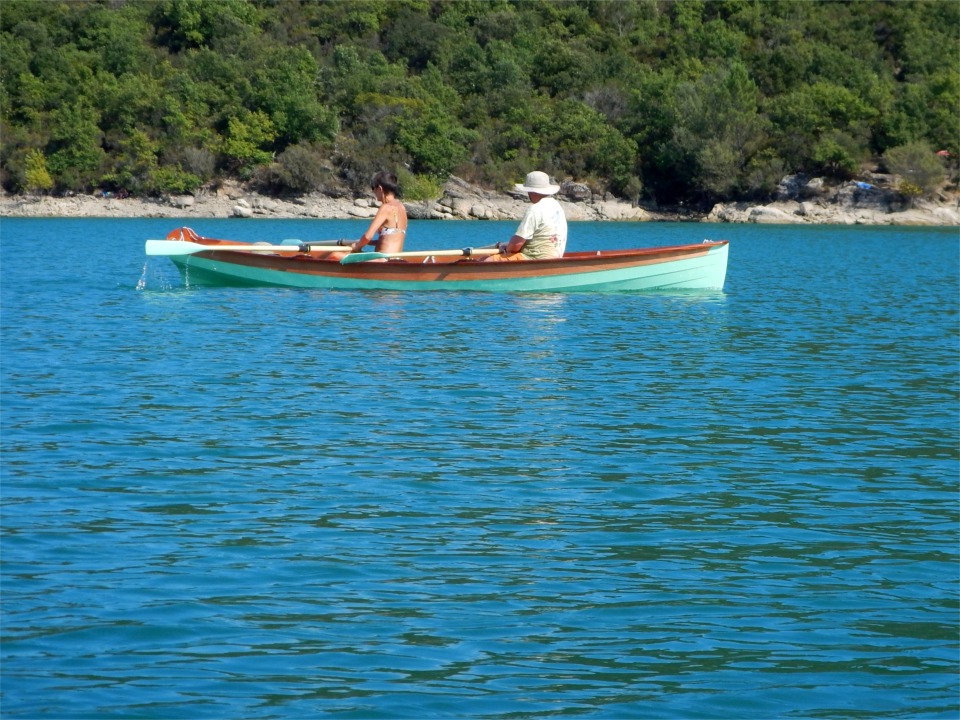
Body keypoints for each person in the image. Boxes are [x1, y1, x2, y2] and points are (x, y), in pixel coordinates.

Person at [484, 171, 567, 261]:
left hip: (533, 258)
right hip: (555, 258)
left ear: (531, 191)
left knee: (485, 260)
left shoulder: (535, 209)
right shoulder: (557, 206)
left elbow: (516, 245)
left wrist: (506, 249)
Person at [327, 171, 407, 261]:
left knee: (334, 255)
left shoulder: (386, 208)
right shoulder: (402, 208)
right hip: (395, 259)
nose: (373, 192)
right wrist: (367, 243)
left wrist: (356, 247)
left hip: (382, 260)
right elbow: (391, 239)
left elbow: (367, 236)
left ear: (380, 188)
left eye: (373, 188)